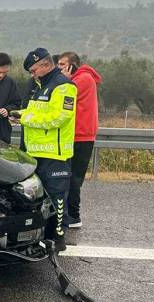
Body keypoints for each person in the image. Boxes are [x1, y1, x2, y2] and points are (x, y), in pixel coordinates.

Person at [15, 48, 77, 252]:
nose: (32, 75)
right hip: (35, 152)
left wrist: (26, 118)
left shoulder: (64, 86)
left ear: (45, 65)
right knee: (36, 196)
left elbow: (59, 118)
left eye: (33, 70)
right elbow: (36, 111)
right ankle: (39, 234)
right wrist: (18, 114)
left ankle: (58, 237)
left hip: (55, 154)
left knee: (57, 198)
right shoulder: (40, 86)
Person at [57, 51, 102, 228]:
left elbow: (64, 95)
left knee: (74, 178)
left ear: (72, 65)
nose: (58, 68)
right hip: (77, 134)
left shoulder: (82, 79)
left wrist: (64, 79)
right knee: (69, 176)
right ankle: (69, 214)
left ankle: (73, 216)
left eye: (62, 64)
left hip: (81, 135)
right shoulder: (80, 78)